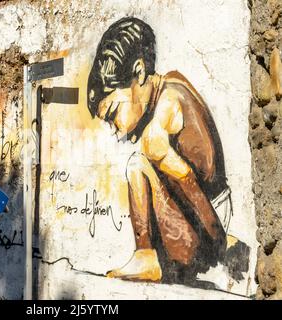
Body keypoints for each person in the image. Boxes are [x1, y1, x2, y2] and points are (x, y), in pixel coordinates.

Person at [87, 17, 230, 283]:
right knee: (141, 160)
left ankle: (147, 257)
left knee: (138, 163)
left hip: (210, 218)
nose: (117, 130)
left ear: (139, 72)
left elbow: (190, 184)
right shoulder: (172, 82)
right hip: (207, 212)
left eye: (114, 113)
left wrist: (220, 242)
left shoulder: (163, 115)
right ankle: (147, 257)